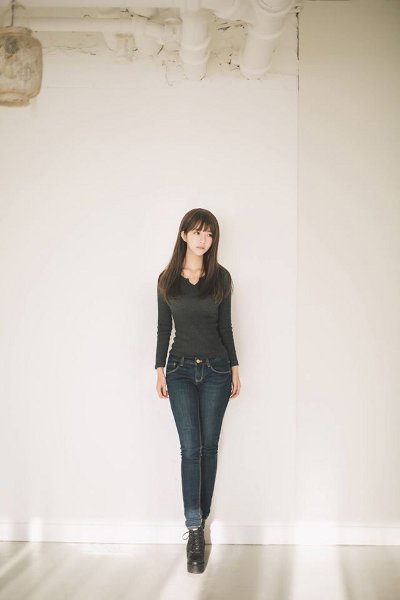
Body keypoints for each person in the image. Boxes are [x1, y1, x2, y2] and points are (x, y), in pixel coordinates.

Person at [155, 208, 241, 574]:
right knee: (190, 449)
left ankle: (200, 521)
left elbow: (226, 327)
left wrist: (235, 368)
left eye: (209, 234)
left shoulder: (221, 277)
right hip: (179, 371)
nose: (203, 240)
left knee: (209, 447)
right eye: (197, 232)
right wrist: (159, 369)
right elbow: (164, 329)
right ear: (184, 235)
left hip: (218, 370)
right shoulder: (167, 280)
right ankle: (194, 529)